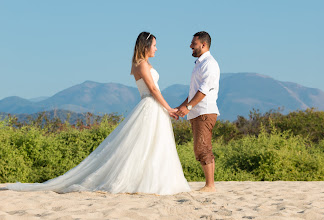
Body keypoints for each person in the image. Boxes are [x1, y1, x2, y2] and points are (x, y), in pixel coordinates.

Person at [3, 32, 191, 195]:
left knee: (150, 146)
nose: (157, 49)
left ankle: (150, 179)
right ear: (147, 45)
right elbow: (153, 89)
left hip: (150, 106)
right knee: (148, 145)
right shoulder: (142, 64)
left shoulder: (138, 63)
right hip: (150, 105)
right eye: (155, 45)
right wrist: (170, 108)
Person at [176, 31, 220, 192]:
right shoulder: (199, 63)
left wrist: (188, 107)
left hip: (205, 111)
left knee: (203, 147)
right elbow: (193, 92)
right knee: (198, 148)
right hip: (196, 112)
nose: (190, 46)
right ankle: (209, 184)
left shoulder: (209, 63)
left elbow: (203, 90)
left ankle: (210, 185)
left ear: (203, 44)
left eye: (193, 43)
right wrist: (182, 107)